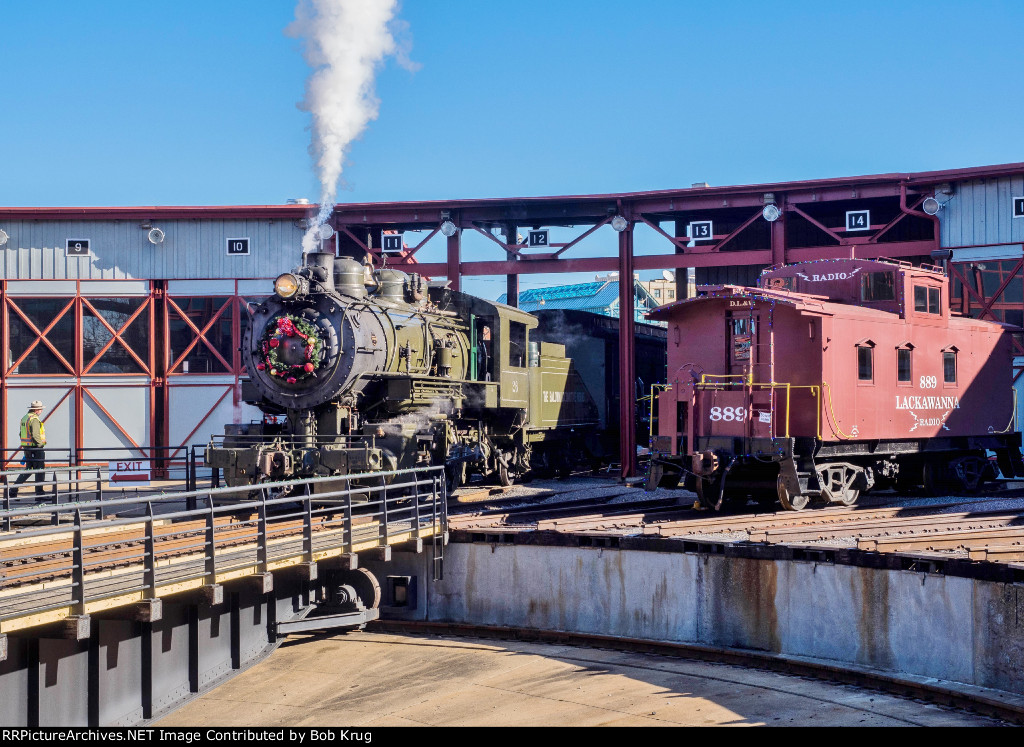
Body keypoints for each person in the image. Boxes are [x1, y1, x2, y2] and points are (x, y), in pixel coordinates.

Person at [11, 400, 46, 497]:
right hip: (35, 448)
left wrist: (26, 445)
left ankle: (13, 490)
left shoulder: (25, 418)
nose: (41, 411)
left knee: (29, 469)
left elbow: (20, 434)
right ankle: (40, 494)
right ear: (36, 410)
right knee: (39, 469)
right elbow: (35, 435)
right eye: (40, 409)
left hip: (27, 447)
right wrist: (40, 446)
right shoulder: (34, 419)